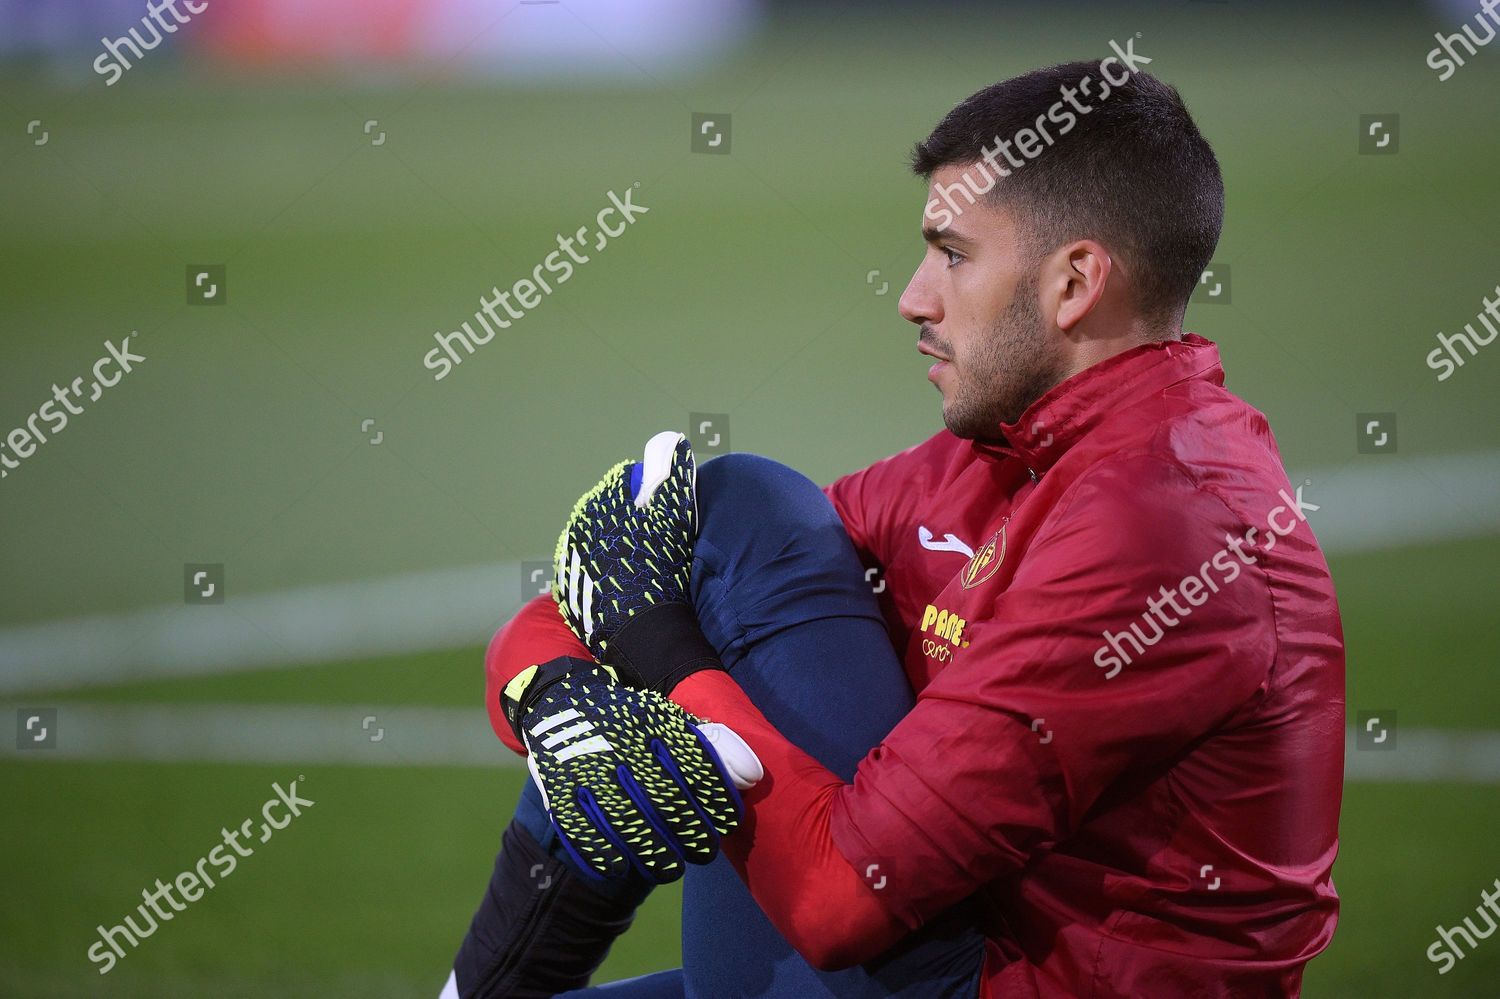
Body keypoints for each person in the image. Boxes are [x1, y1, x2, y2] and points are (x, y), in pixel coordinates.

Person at [448, 60, 1344, 998]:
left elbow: (843, 902)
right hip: (953, 955)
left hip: (997, 973)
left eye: (953, 254)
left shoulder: (1162, 524)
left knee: (735, 525)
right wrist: (549, 693)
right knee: (727, 516)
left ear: (1075, 282)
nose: (914, 296)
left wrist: (668, 668)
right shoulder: (997, 458)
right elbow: (625, 590)